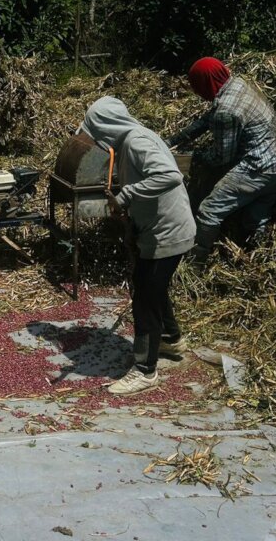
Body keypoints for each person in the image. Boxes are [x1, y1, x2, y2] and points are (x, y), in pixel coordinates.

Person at [81, 96, 196, 395]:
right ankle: (170, 339)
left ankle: (145, 370)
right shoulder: (132, 139)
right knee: (150, 285)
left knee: (145, 296)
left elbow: (170, 176)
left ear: (106, 127)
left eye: (96, 132)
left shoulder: (136, 142)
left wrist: (126, 195)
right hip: (159, 229)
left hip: (168, 233)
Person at [167, 57, 276, 260]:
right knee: (256, 216)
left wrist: (192, 159)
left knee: (208, 212)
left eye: (196, 87)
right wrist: (172, 140)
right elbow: (207, 120)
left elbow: (221, 158)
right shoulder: (237, 84)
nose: (197, 92)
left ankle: (195, 262)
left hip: (258, 168)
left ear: (204, 84)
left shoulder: (226, 111)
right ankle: (258, 258)